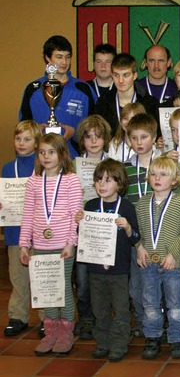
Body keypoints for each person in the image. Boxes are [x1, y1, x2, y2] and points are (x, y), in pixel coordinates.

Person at [19, 133, 84, 356]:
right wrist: (24, 244)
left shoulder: (71, 179)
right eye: (42, 152)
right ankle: (50, 331)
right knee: (45, 289)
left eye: (52, 152)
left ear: (62, 154)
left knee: (63, 288)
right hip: (40, 245)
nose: (46, 156)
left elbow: (76, 213)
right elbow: (27, 214)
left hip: (62, 247)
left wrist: (70, 243)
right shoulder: (33, 181)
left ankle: (65, 330)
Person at [75, 159, 140, 362]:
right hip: (95, 268)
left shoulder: (127, 207)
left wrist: (128, 227)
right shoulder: (91, 205)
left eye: (108, 180)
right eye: (98, 180)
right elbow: (83, 237)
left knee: (120, 308)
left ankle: (119, 343)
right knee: (99, 308)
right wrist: (79, 223)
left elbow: (136, 238)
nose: (102, 185)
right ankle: (102, 342)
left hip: (119, 270)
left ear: (120, 184)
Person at [136, 156, 180, 360]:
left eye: (163, 174)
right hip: (148, 264)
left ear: (175, 179)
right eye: (153, 174)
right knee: (150, 302)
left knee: (175, 303)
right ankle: (152, 336)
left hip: (172, 264)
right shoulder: (142, 204)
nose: (157, 178)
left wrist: (173, 254)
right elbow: (138, 232)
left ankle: (176, 338)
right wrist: (139, 247)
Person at [19, 35, 95, 156]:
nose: (64, 62)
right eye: (59, 57)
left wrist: (75, 133)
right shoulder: (33, 89)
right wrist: (35, 131)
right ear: (47, 58)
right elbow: (22, 129)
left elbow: (96, 126)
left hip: (74, 158)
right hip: (41, 158)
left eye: (68, 57)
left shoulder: (83, 89)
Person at [73, 115, 112, 340]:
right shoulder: (73, 166)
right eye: (88, 137)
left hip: (106, 228)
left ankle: (104, 317)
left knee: (107, 279)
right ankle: (86, 317)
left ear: (105, 139)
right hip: (84, 228)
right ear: (82, 141)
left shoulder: (114, 164)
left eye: (98, 137)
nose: (94, 141)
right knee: (83, 279)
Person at [123, 113, 162, 337]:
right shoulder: (125, 168)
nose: (139, 143)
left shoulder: (165, 163)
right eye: (134, 138)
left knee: (161, 281)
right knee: (136, 284)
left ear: (154, 137)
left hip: (161, 234)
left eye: (144, 137)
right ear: (128, 140)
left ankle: (161, 319)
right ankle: (141, 319)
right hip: (135, 237)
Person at [2, 120, 42, 337]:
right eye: (18, 138)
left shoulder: (43, 165)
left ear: (37, 143)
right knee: (18, 276)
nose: (21, 143)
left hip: (40, 232)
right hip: (15, 231)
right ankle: (18, 316)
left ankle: (48, 317)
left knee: (42, 274)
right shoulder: (7, 168)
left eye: (27, 139)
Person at [95, 53, 159, 137]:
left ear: (135, 75)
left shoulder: (150, 104)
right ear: (111, 76)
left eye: (126, 75)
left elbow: (155, 135)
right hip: (111, 149)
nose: (120, 80)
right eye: (116, 75)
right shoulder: (103, 103)